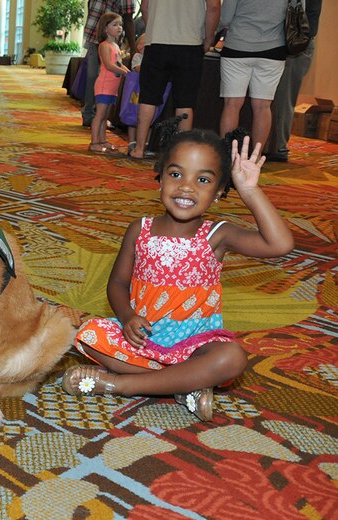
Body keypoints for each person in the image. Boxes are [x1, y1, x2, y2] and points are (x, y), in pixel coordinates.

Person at [64, 130, 294, 421]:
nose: (187, 188)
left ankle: (123, 384)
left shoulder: (217, 235)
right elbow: (118, 283)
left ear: (221, 190)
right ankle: (185, 384)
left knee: (232, 358)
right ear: (159, 177)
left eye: (203, 180)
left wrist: (249, 191)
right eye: (175, 174)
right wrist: (126, 318)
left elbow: (280, 244)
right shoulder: (140, 229)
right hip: (144, 339)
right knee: (86, 335)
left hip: (196, 344)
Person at [129, 0, 221, 159]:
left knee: (148, 98)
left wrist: (154, 29)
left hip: (156, 42)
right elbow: (213, 7)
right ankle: (182, 154)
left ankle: (139, 148)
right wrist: (208, 38)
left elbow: (144, 7)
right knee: (185, 102)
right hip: (190, 42)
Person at [218, 0, 288, 152]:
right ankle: (255, 158)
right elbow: (296, 13)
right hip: (274, 48)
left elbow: (225, 18)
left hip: (237, 46)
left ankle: (227, 156)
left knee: (232, 104)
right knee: (263, 107)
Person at [268, 0, 322, 162]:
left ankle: (278, 147)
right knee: (271, 99)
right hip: (289, 41)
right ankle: (270, 145)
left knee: (283, 99)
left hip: (294, 43)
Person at [81, 0, 137, 128]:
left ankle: (103, 116)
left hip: (112, 41)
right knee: (92, 76)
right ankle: (90, 115)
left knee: (108, 78)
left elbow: (128, 19)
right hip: (93, 36)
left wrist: (133, 47)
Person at [90, 13, 130, 153]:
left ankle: (102, 140)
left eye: (120, 24)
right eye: (114, 24)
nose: (119, 27)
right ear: (105, 29)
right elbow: (108, 65)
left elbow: (118, 63)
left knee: (106, 116)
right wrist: (125, 72)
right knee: (100, 115)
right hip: (104, 85)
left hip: (113, 87)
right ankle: (94, 142)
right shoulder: (104, 45)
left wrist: (129, 72)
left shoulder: (116, 46)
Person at [126, 34, 146, 150]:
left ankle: (145, 142)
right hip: (135, 91)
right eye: (141, 43)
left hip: (145, 91)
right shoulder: (137, 56)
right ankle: (131, 141)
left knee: (147, 118)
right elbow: (137, 68)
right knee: (132, 116)